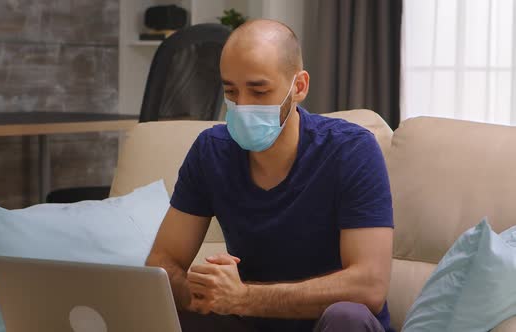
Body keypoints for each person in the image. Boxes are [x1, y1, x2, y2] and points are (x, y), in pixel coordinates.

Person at [146, 19, 394, 332]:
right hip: (249, 323)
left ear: (299, 87)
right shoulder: (211, 151)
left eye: (259, 91)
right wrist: (198, 293)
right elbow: (162, 262)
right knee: (164, 310)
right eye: (231, 92)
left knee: (347, 317)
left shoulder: (351, 150)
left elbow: (369, 286)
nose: (242, 106)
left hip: (331, 326)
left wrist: (243, 298)